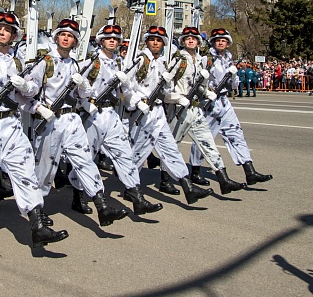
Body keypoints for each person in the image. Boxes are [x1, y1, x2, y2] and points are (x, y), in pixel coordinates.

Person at [0, 11, 69, 248]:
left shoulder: (16, 63)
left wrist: (28, 91)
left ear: (14, 35)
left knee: (25, 170)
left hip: (11, 123)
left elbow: (21, 98)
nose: (2, 32)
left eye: (7, 30)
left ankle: (37, 224)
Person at [26, 18, 130, 227]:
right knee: (44, 169)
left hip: (72, 119)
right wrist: (38, 109)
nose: (66, 38)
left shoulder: (74, 64)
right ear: (56, 38)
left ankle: (102, 206)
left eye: (71, 36)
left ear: (75, 42)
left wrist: (83, 89)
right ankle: (37, 210)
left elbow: (83, 95)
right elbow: (26, 96)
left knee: (85, 162)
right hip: (49, 120)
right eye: (63, 35)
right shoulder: (44, 62)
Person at [80, 23, 163, 214]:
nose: (112, 41)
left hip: (112, 114)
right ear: (101, 41)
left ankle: (137, 197)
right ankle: (78, 196)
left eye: (115, 39)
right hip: (93, 115)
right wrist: (86, 103)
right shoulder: (92, 62)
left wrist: (135, 101)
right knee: (87, 158)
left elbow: (127, 89)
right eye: (108, 38)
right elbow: (77, 89)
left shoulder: (121, 63)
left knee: (124, 155)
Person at [126, 26, 213, 205]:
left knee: (170, 149)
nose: (156, 43)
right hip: (143, 111)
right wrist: (136, 101)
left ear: (164, 43)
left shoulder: (162, 63)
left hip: (158, 110)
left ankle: (188, 187)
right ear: (147, 41)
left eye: (159, 40)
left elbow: (165, 90)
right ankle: (130, 188)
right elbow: (126, 83)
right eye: (152, 39)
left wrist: (175, 97)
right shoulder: (141, 60)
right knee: (139, 152)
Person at [190, 28, 273, 186]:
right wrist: (206, 93)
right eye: (217, 40)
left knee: (236, 134)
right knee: (204, 138)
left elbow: (234, 84)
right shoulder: (206, 59)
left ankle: (249, 171)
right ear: (213, 42)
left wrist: (234, 75)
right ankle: (195, 170)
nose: (221, 42)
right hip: (209, 103)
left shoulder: (229, 58)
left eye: (224, 40)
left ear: (228, 43)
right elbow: (198, 81)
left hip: (224, 101)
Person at [168, 27, 246, 194]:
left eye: (194, 38)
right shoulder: (178, 59)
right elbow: (165, 85)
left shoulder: (198, 60)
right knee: (172, 145)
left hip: (195, 108)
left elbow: (199, 84)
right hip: (180, 108)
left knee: (208, 143)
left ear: (198, 42)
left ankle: (223, 179)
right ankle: (165, 179)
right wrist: (176, 98)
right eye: (187, 38)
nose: (190, 40)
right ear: (182, 41)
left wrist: (206, 92)